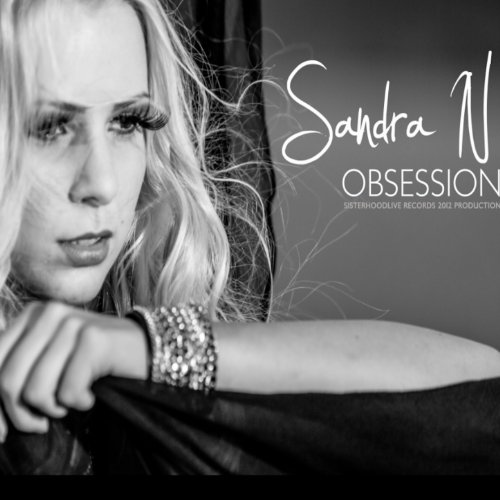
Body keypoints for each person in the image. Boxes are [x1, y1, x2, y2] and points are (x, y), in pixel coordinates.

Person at [1, 0, 500, 473]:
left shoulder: (144, 378)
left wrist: (147, 346)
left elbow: (483, 402)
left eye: (127, 122)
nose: (103, 183)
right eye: (50, 128)